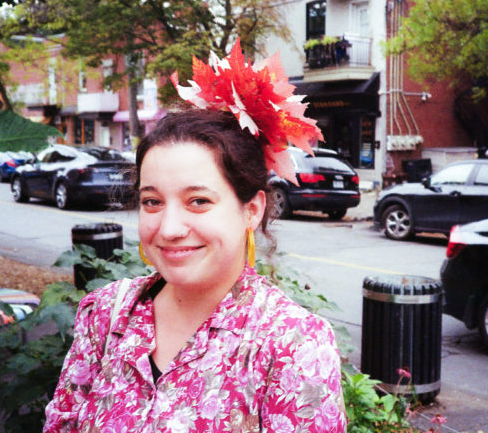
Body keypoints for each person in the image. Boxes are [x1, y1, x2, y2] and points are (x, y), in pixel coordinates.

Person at [44, 40, 346, 432]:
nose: (169, 228)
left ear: (251, 209)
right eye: (152, 202)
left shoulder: (292, 345)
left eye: (198, 201)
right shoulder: (105, 316)